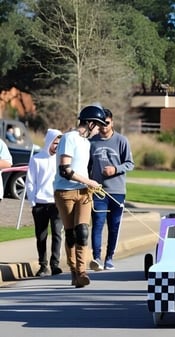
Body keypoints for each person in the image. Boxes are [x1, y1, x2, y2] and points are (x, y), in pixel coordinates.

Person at [54, 104, 107, 288]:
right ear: (90, 123)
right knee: (70, 234)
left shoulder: (86, 143)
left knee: (83, 231)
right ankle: (74, 271)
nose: (100, 129)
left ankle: (82, 271)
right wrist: (88, 181)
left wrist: (89, 183)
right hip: (65, 191)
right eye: (98, 125)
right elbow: (65, 170)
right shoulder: (69, 138)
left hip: (84, 192)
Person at [88, 108, 135, 271]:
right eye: (100, 124)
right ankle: (96, 258)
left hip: (117, 191)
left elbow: (130, 163)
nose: (103, 127)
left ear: (112, 122)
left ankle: (109, 257)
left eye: (106, 123)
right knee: (98, 224)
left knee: (114, 225)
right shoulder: (92, 142)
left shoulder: (122, 141)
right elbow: (87, 166)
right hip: (98, 191)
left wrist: (115, 169)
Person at [26, 129, 63, 277]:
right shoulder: (36, 159)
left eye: (59, 143)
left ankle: (55, 265)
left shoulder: (62, 159)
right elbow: (30, 182)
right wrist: (33, 203)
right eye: (55, 143)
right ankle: (43, 265)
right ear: (49, 142)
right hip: (40, 204)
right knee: (41, 236)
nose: (57, 146)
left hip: (56, 203)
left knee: (57, 233)